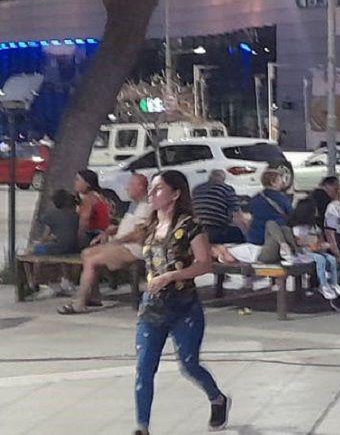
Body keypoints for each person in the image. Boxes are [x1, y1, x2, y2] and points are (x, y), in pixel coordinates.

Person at [133, 169, 228, 434]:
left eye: (159, 189)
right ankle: (142, 426)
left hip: (183, 306)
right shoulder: (151, 224)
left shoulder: (190, 226)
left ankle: (217, 398)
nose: (152, 193)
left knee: (189, 365)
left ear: (175, 194)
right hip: (152, 308)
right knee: (143, 369)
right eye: (151, 188)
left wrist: (173, 275)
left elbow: (205, 264)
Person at [60, 174, 151, 314]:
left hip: (132, 248)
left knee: (91, 260)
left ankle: (80, 303)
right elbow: (125, 225)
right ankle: (94, 296)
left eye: (130, 185)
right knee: (86, 253)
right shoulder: (134, 204)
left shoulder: (146, 207)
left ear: (140, 187)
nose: (127, 188)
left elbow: (139, 234)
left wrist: (117, 241)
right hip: (121, 244)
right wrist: (107, 233)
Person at [288, 196, 340, 300]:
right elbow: (299, 242)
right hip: (303, 253)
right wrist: (314, 243)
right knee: (320, 260)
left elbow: (319, 239)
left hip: (315, 251)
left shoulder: (314, 227)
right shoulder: (297, 228)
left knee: (331, 259)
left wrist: (322, 245)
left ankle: (334, 283)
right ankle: (323, 285)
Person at [246, 170, 295, 262]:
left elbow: (251, 214)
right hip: (274, 239)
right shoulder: (281, 199)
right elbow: (292, 214)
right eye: (280, 180)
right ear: (273, 183)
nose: (282, 182)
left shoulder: (255, 198)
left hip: (255, 237)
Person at [192, 170, 245, 244]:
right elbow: (237, 214)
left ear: (210, 177)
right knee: (239, 234)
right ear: (223, 179)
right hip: (216, 231)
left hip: (196, 230)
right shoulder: (226, 189)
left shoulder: (196, 189)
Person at [32, 189, 80, 255]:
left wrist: (40, 242)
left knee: (35, 249)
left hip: (57, 248)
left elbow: (46, 234)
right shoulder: (74, 215)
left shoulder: (50, 214)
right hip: (73, 248)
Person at [74, 169, 111, 248]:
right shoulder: (99, 197)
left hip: (92, 236)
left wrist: (76, 239)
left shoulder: (89, 199)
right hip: (101, 234)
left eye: (78, 180)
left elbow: (84, 220)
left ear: (87, 184)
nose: (75, 183)